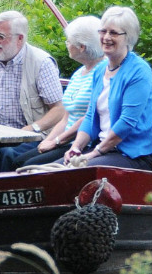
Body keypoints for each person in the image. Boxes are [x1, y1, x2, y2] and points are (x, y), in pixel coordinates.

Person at [0, 10, 64, 173]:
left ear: (20, 39)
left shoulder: (41, 63)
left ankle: (4, 196)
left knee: (8, 154)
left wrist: (33, 128)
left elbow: (59, 109)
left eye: (0, 36)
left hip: (28, 134)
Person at [60, 6, 152, 170]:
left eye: (113, 33)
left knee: (73, 173)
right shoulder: (100, 70)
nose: (106, 37)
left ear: (128, 37)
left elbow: (126, 123)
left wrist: (94, 153)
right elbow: (91, 116)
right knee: (50, 171)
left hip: (132, 155)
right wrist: (76, 147)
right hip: (103, 150)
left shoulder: (139, 71)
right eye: (103, 31)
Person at [11, 15, 104, 170]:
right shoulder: (80, 72)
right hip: (64, 140)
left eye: (69, 41)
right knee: (17, 160)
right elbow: (65, 117)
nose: (66, 44)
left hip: (82, 143)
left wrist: (56, 142)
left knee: (28, 166)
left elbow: (88, 117)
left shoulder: (102, 72)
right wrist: (48, 140)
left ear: (82, 47)